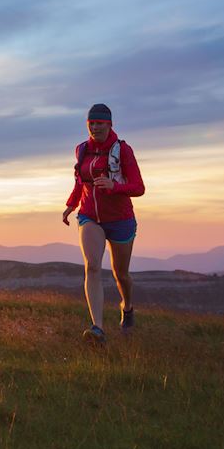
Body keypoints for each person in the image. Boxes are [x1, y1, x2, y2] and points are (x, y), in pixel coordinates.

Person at [61, 103, 145, 342]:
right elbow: (80, 182)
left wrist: (114, 187)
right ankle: (97, 328)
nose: (95, 127)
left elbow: (139, 187)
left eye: (100, 123)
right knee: (93, 266)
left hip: (120, 219)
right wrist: (71, 204)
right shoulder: (82, 150)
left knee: (121, 275)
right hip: (90, 216)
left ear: (110, 124)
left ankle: (127, 307)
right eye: (91, 123)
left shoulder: (123, 151)